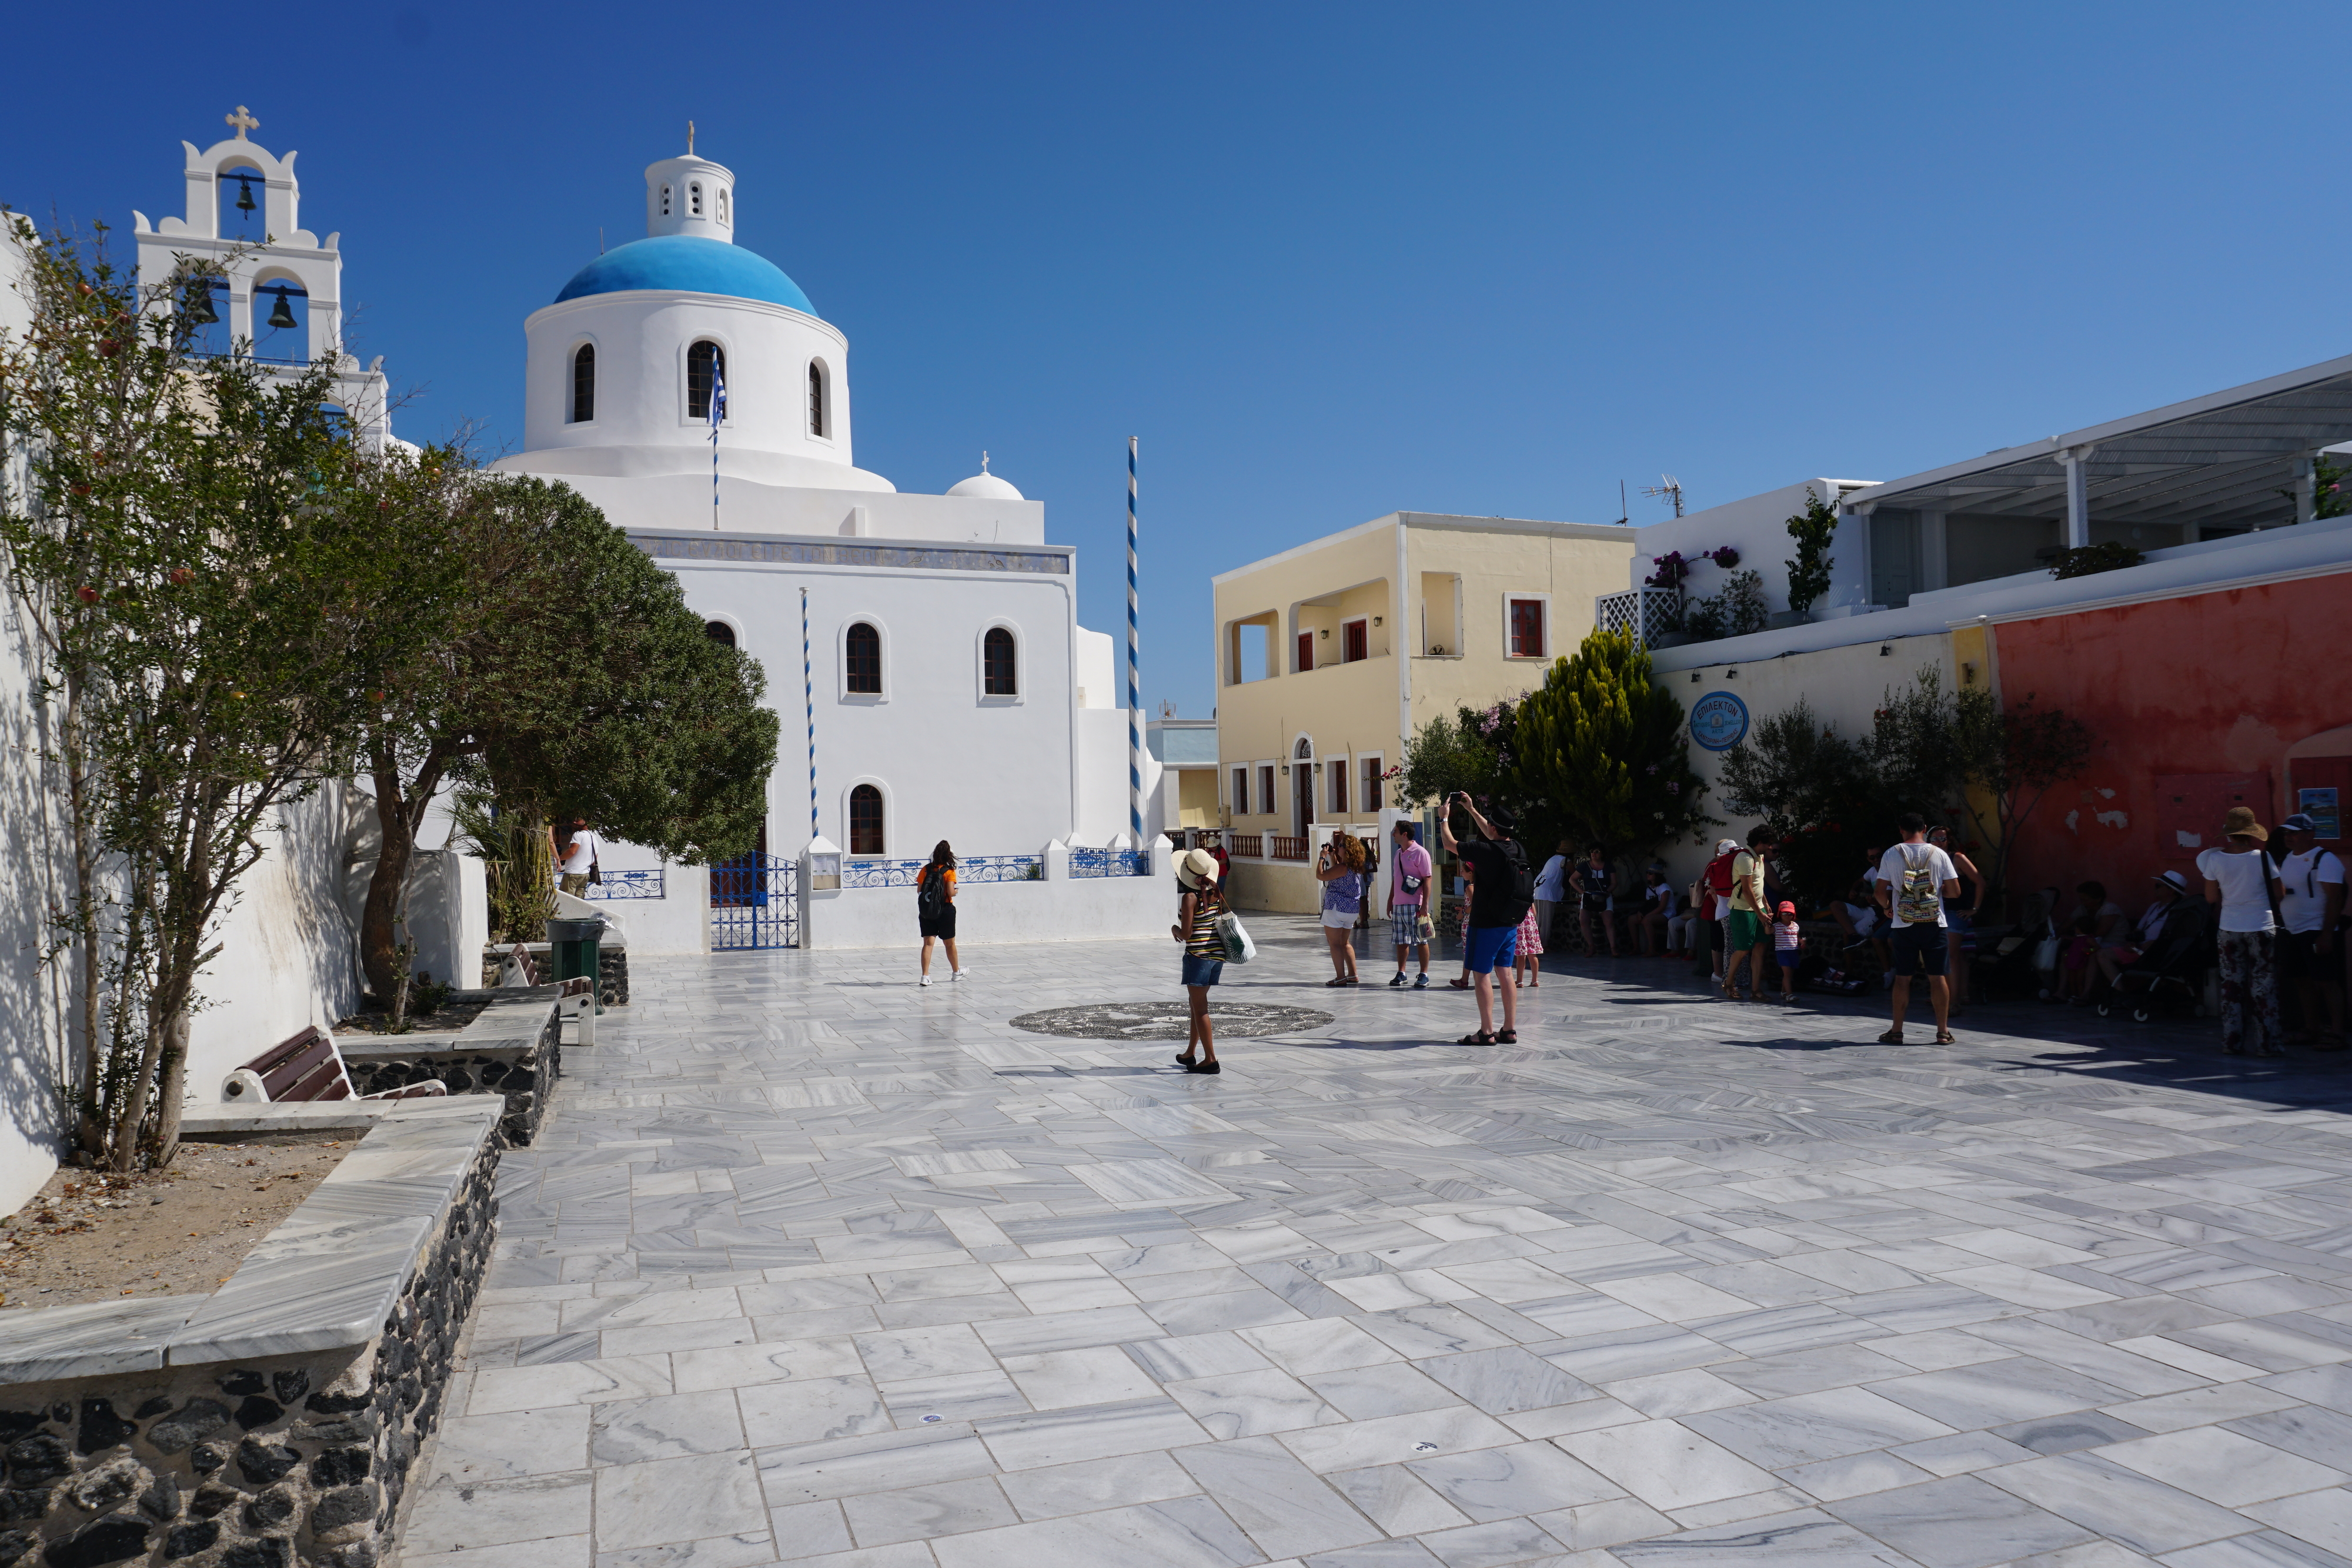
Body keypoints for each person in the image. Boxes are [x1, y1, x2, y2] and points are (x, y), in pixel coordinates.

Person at [1439, 792, 1530, 1045]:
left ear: (1492, 827)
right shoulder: (1517, 848)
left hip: (1486, 922)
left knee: (1481, 975)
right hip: (1510, 922)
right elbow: (1494, 834)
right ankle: (1509, 1030)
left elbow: (1449, 844)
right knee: (1505, 973)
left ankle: (1486, 1032)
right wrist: (1471, 810)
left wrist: (1443, 820)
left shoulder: (1485, 850)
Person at [2197, 806, 2284, 1055]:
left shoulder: (2215, 859)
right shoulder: (2263, 858)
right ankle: (2268, 1045)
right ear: (2251, 833)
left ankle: (2232, 1042)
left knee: (2231, 986)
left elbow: (2211, 897)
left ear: (2229, 833)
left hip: (2229, 927)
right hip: (2261, 926)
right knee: (2264, 986)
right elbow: (2279, 893)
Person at [1875, 811, 1961, 1044]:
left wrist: (1887, 908)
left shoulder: (1892, 854)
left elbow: (1879, 892)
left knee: (1903, 978)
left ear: (1901, 829)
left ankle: (1896, 1030)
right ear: (1924, 828)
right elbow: (1955, 892)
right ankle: (1943, 1032)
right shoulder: (1939, 854)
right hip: (1935, 923)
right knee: (1937, 977)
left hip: (1903, 923)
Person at [2277, 813, 2346, 1049]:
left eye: (2294, 833)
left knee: (2327, 982)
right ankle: (2311, 1028)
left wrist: (2327, 934)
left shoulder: (2325, 860)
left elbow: (2336, 899)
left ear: (2310, 835)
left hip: (2316, 929)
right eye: (2286, 833)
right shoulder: (2287, 859)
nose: (2289, 837)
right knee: (2302, 981)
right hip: (2293, 930)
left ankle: (2337, 1032)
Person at [1171, 848, 1226, 1074]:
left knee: (1200, 1009)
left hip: (1198, 956)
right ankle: (1190, 1052)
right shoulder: (1215, 891)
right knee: (1196, 1005)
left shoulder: (1189, 898)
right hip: (1216, 956)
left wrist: (1174, 928)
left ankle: (1211, 1060)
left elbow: (1186, 934)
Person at [2094, 871, 2189, 992]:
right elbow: (2139, 928)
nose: (2155, 889)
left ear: (2171, 891)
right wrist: (2131, 942)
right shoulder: (2155, 906)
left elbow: (2179, 936)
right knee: (2102, 954)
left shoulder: (2180, 910)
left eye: (2159, 886)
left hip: (2157, 954)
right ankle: (2121, 992)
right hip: (2139, 950)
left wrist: (2155, 943)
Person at [1927, 827, 1986, 1015]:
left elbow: (1979, 881)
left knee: (1950, 957)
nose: (1938, 842)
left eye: (1942, 838)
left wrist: (1974, 909)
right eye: (1934, 838)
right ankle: (1955, 996)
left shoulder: (1957, 858)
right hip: (1935, 913)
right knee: (1953, 957)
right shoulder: (1927, 858)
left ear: (1949, 840)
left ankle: (1953, 1002)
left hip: (1954, 913)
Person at [1723, 827, 1779, 1002]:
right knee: (1744, 948)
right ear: (1760, 843)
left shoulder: (1759, 857)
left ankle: (1756, 990)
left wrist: (1766, 905)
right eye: (1769, 844)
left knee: (1760, 947)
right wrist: (1760, 914)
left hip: (1758, 908)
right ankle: (1729, 983)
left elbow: (1758, 884)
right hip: (1742, 910)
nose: (1770, 848)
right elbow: (1747, 890)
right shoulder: (1745, 858)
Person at [1315, 830, 1367, 987]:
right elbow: (1339, 873)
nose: (1338, 847)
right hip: (1350, 910)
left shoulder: (1343, 867)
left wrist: (1322, 858)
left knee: (1335, 944)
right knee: (1345, 943)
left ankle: (1340, 977)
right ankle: (1353, 975)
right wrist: (1333, 857)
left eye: (1340, 846)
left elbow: (1321, 875)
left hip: (1336, 909)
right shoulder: (1355, 867)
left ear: (1347, 849)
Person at [1388, 821, 1435, 988]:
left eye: (1396, 831)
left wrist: (1425, 905)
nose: (1393, 834)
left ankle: (1424, 974)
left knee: (1422, 940)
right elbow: (1396, 879)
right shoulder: (1398, 854)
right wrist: (1390, 901)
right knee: (1401, 940)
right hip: (1399, 904)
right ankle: (1402, 973)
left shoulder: (1420, 853)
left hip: (1415, 905)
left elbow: (1428, 878)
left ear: (1405, 834)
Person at [916, 841, 964, 985]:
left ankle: (925, 976)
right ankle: (956, 972)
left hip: (927, 910)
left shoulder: (925, 870)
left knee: (928, 944)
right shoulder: (949, 871)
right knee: (950, 943)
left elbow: (919, 890)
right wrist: (956, 891)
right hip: (945, 909)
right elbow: (950, 892)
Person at [1692, 839, 1740, 981]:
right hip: (1716, 907)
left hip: (1719, 907)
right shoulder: (1714, 865)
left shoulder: (1721, 864)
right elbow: (1711, 889)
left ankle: (1724, 973)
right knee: (1718, 940)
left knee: (1722, 940)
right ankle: (1718, 973)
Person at [1574, 845, 1621, 958]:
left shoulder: (1609, 866)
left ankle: (1613, 948)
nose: (1594, 854)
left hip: (1604, 895)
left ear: (1602, 854)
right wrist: (1582, 892)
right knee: (1583, 920)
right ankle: (1591, 947)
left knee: (1608, 921)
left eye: (1597, 852)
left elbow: (1614, 882)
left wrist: (1607, 892)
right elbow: (1572, 879)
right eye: (1592, 851)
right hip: (1589, 896)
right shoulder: (1585, 866)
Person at [1533, 841, 1570, 957]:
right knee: (1545, 920)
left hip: (1537, 888)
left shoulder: (1553, 858)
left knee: (1538, 919)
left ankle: (1535, 943)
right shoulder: (1566, 861)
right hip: (1547, 892)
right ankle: (1543, 945)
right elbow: (1575, 874)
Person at [554, 816, 602, 897]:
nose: (574, 823)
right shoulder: (593, 836)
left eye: (578, 821)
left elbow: (572, 851)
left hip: (573, 873)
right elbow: (595, 857)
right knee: (579, 900)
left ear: (585, 822)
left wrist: (559, 859)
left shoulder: (578, 835)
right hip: (585, 874)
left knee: (567, 899)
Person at [1641, 865, 1681, 957]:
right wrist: (1641, 913)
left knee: (1647, 920)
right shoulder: (1649, 889)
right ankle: (1636, 948)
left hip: (1667, 914)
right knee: (1632, 919)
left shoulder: (1664, 888)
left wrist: (1647, 916)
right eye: (1647, 873)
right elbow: (1648, 905)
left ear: (1657, 875)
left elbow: (1662, 907)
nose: (1648, 875)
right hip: (1655, 913)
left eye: (1651, 873)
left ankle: (1652, 949)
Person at [1772, 900, 1803, 1001]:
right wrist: (1766, 921)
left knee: (1790, 973)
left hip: (1793, 951)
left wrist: (1802, 942)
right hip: (1782, 952)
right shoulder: (1777, 926)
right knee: (1787, 974)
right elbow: (1768, 931)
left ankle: (1784, 992)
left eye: (1790, 914)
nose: (1787, 916)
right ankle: (1790, 995)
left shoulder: (1796, 926)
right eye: (1784, 913)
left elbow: (1798, 937)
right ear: (1780, 914)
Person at [1514, 890, 1545, 989]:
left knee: (1521, 955)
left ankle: (1519, 981)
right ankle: (1535, 980)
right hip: (1530, 925)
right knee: (1532, 954)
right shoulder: (1529, 897)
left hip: (1520, 925)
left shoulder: (1516, 897)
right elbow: (1534, 913)